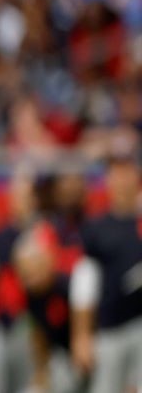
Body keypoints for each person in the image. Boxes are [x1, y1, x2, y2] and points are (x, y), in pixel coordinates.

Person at [71, 130, 142, 392]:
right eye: (116, 171)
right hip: (112, 326)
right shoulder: (97, 227)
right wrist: (81, 335)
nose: (122, 178)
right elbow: (84, 281)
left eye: (127, 169)